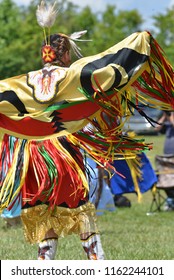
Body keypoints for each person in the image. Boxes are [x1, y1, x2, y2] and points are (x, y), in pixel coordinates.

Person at [0, 0, 174, 260]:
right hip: (64, 152)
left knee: (44, 209)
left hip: (34, 156)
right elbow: (109, 66)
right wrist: (140, 41)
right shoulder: (73, 75)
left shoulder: (25, 81)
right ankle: (97, 263)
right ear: (66, 54)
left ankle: (43, 265)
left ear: (43, 54)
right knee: (79, 209)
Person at [155, 111, 174, 210]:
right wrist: (164, 116)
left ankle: (171, 201)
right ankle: (171, 200)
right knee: (167, 178)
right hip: (167, 156)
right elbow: (156, 128)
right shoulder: (166, 117)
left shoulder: (171, 118)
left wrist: (171, 117)